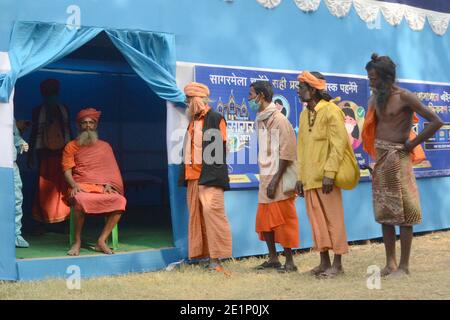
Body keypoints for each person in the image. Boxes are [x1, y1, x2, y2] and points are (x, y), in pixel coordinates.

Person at [362, 53, 443, 277]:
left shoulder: (404, 96)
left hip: (399, 158)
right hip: (381, 159)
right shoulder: (375, 99)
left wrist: (412, 144)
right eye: (368, 78)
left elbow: (436, 121)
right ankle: (390, 264)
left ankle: (405, 267)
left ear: (387, 77)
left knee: (405, 213)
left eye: (373, 78)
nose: (370, 82)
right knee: (384, 212)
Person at [296, 71, 352, 278]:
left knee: (333, 220)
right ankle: (324, 263)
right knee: (317, 222)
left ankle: (337, 265)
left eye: (301, 87)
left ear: (312, 90)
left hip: (327, 178)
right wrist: (300, 177)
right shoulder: (304, 114)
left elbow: (339, 145)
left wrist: (330, 173)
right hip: (309, 178)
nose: (298, 91)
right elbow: (301, 146)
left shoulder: (331, 111)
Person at [178, 82, 233, 273]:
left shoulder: (215, 118)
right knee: (198, 219)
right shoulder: (192, 121)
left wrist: (207, 179)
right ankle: (206, 256)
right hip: (193, 178)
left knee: (213, 217)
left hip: (208, 179)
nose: (186, 103)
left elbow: (219, 153)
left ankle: (216, 260)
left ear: (196, 100)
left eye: (188, 99)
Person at [249, 81, 299, 273]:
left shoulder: (279, 120)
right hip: (266, 176)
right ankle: (273, 259)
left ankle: (290, 262)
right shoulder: (260, 118)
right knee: (264, 220)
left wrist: (275, 181)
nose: (249, 99)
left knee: (283, 220)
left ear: (261, 96)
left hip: (279, 177)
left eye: (251, 95)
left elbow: (286, 154)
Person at [62, 108, 126, 256]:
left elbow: (110, 170)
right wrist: (74, 185)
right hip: (80, 186)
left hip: (101, 187)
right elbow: (67, 171)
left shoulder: (105, 146)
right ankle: (77, 241)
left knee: (119, 200)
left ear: (96, 125)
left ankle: (101, 241)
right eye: (84, 123)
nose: (88, 126)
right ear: (79, 126)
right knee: (80, 200)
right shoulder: (71, 146)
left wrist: (108, 183)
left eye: (91, 123)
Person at [28, 79, 71, 228]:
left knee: (62, 187)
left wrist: (73, 153)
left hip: (62, 154)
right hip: (44, 155)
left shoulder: (63, 109)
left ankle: (63, 222)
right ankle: (44, 222)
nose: (50, 94)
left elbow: (68, 131)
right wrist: (30, 155)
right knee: (44, 188)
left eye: (52, 91)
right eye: (48, 91)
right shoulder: (38, 111)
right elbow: (34, 133)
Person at [13, 119, 30, 248]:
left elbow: (14, 135)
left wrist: (21, 143)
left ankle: (15, 235)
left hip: (9, 164)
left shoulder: (7, 114)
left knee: (16, 199)